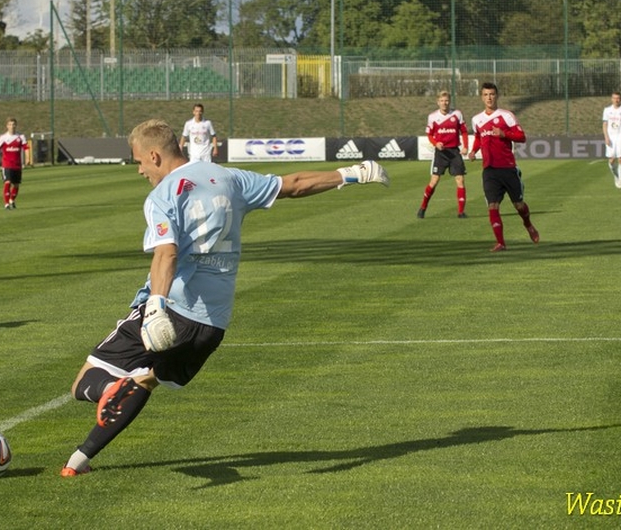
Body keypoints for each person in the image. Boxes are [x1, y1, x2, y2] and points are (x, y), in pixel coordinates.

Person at [60, 119, 389, 477]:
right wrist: (353, 173)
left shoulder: (163, 195)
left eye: (139, 161)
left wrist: (155, 306)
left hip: (173, 307)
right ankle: (78, 461)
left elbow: (166, 253)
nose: (139, 170)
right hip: (212, 324)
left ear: (154, 156)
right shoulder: (229, 178)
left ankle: (109, 388)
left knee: (86, 383)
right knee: (144, 381)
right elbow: (294, 185)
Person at [468, 82, 539, 252]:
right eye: (486, 95)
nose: (489, 98)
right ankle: (501, 243)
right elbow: (478, 137)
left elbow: (521, 137)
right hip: (489, 170)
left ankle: (528, 224)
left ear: (497, 96)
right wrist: (473, 151)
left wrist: (504, 134)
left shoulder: (506, 116)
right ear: (482, 97)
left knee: (519, 205)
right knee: (492, 206)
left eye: (492, 94)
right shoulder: (476, 119)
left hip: (507, 168)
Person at [417, 90, 469, 218]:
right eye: (441, 101)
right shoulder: (432, 117)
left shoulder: (457, 114)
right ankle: (423, 207)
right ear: (438, 102)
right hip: (441, 153)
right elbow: (429, 134)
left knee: (460, 180)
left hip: (454, 152)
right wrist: (435, 143)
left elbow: (464, 131)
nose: (444, 103)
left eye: (446, 101)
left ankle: (461, 212)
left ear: (449, 101)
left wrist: (465, 146)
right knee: (434, 181)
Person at [0, 117, 31, 209]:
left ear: (16, 125)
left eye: (13, 124)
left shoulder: (21, 136)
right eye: (10, 124)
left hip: (17, 165)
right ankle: (6, 203)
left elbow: (26, 148)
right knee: (7, 182)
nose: (12, 126)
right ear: (7, 126)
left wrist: (28, 158)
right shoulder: (3, 138)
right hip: (7, 164)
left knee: (16, 185)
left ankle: (11, 200)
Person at [601, 91, 621, 188]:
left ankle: (620, 181)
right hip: (611, 137)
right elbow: (604, 124)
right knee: (611, 160)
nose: (616, 100)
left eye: (618, 98)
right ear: (611, 99)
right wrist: (606, 137)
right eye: (614, 98)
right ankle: (616, 176)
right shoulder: (607, 110)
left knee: (620, 158)